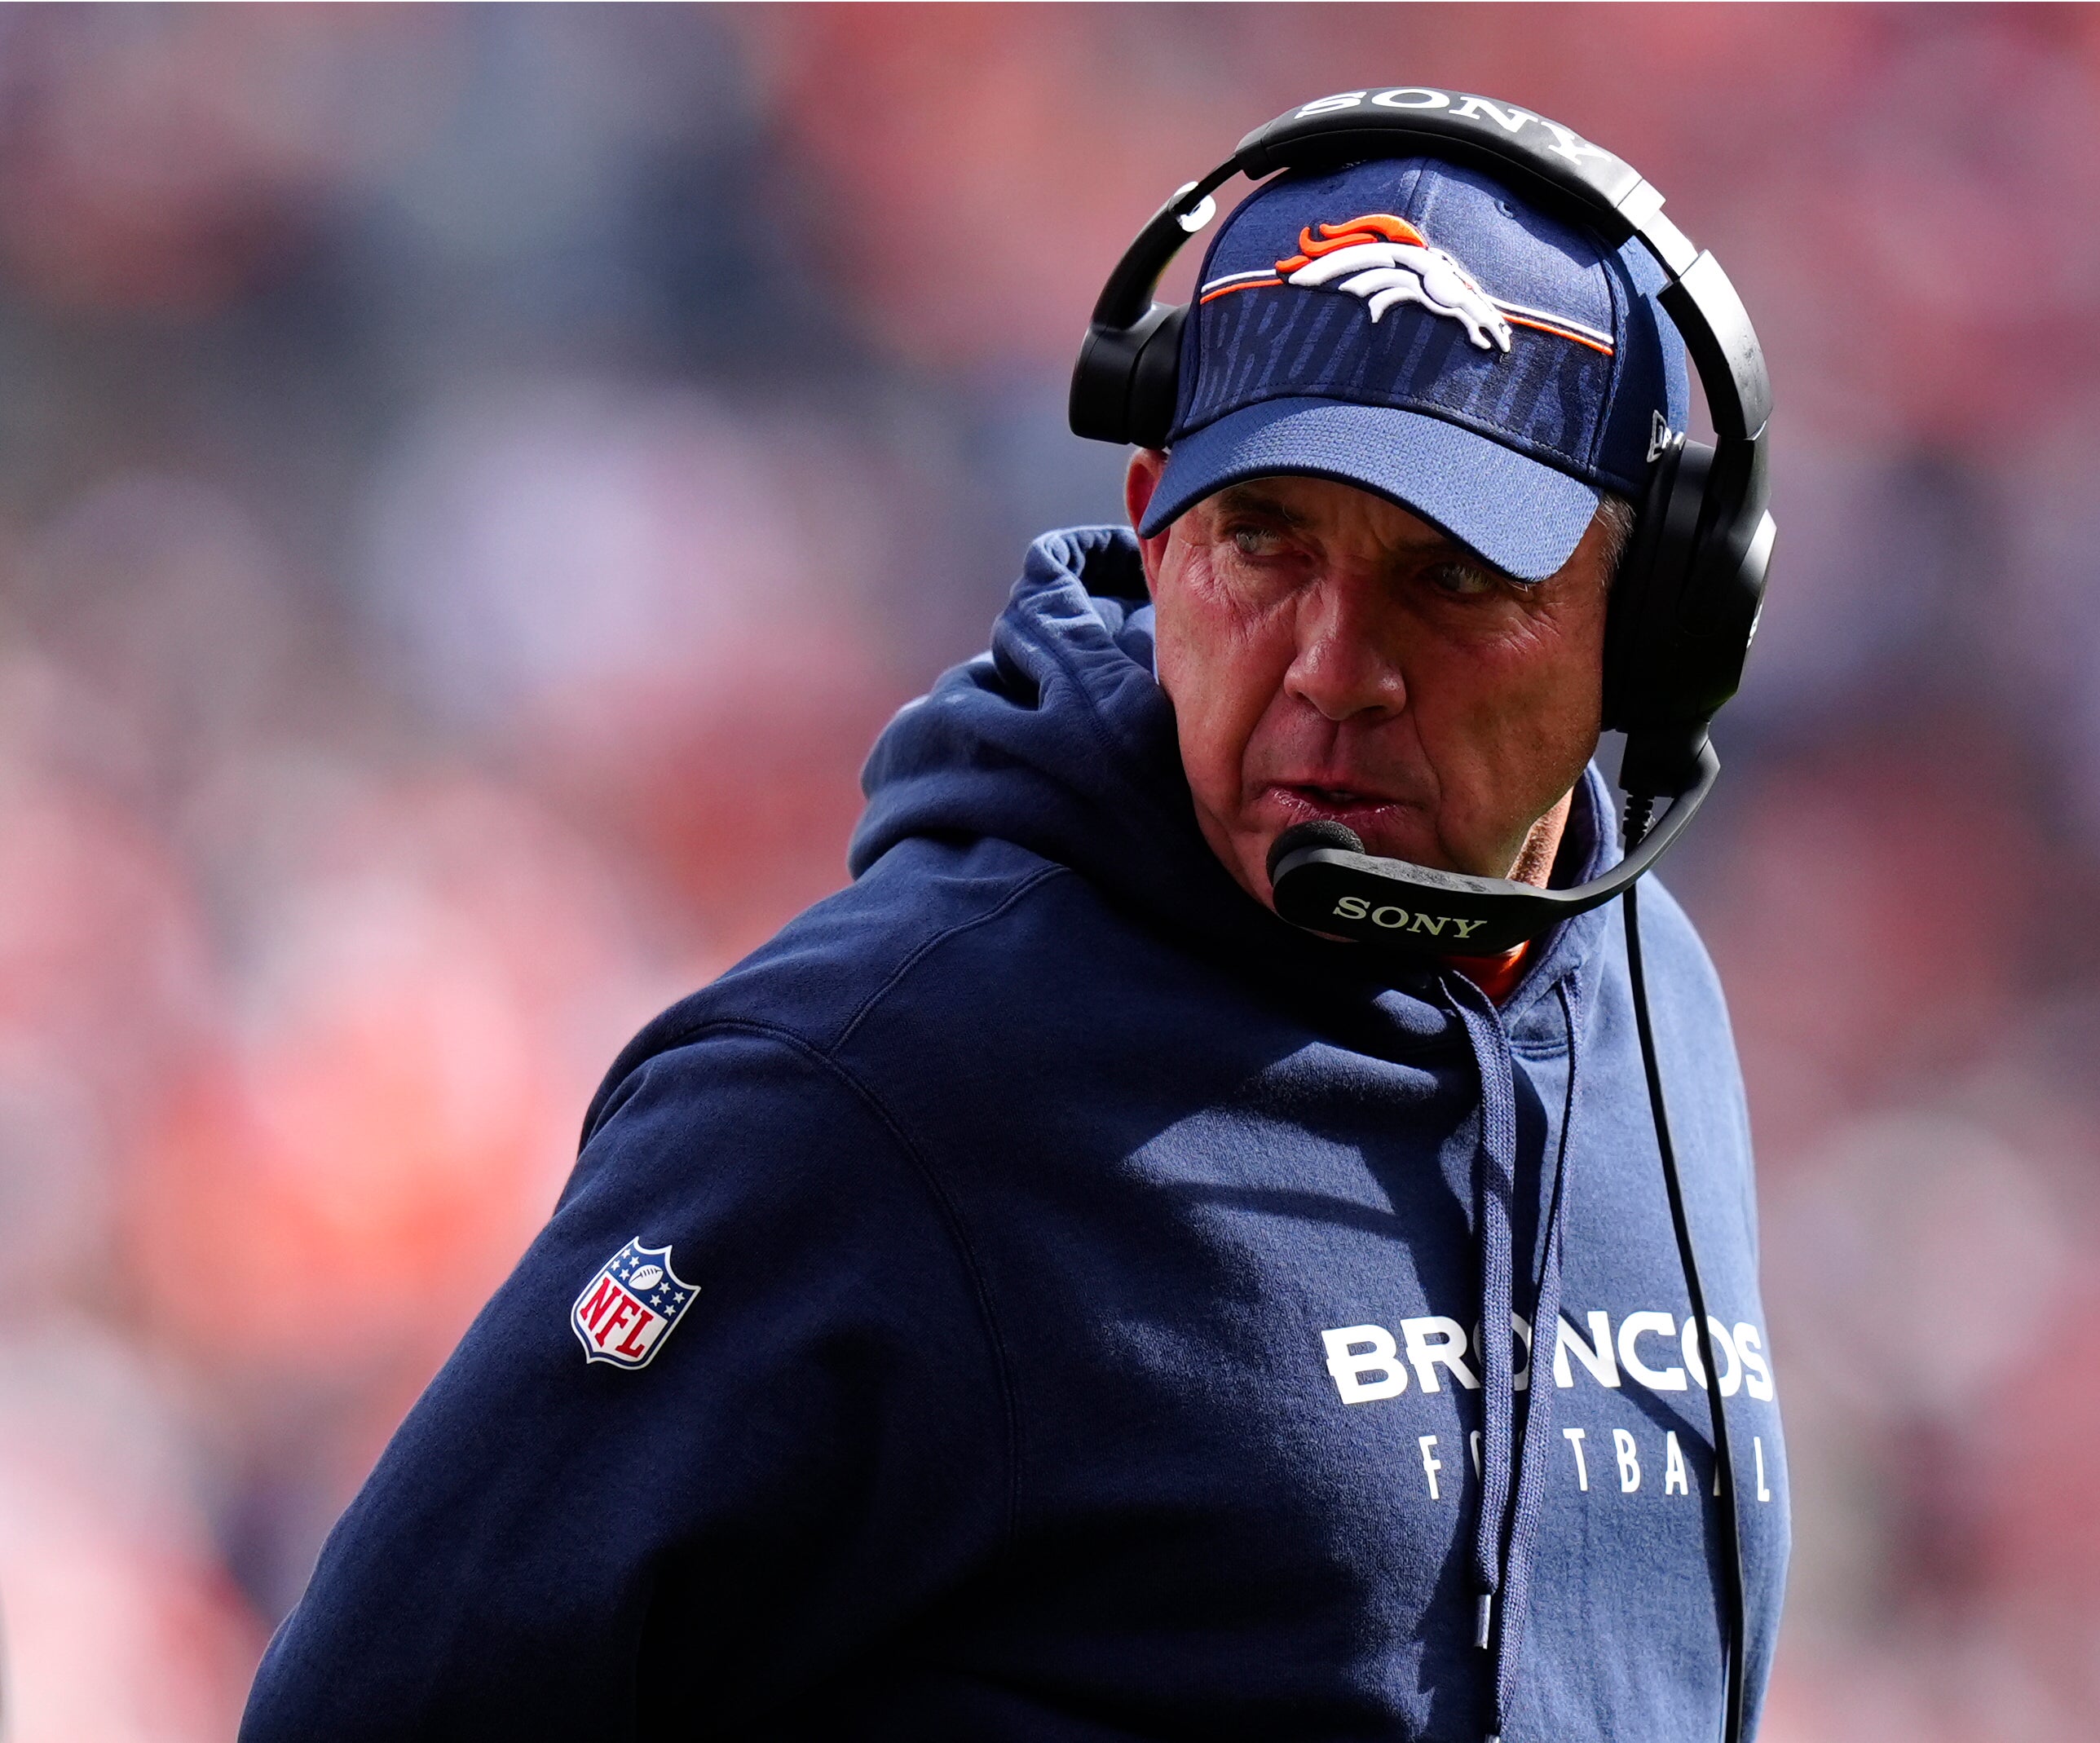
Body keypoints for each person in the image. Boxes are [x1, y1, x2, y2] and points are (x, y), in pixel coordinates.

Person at [242, 104, 1789, 1743]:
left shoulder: (1649, 997)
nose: (1337, 664)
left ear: (1654, 621)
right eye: (1262, 546)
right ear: (1151, 524)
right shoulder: (870, 1081)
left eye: (1453, 579)